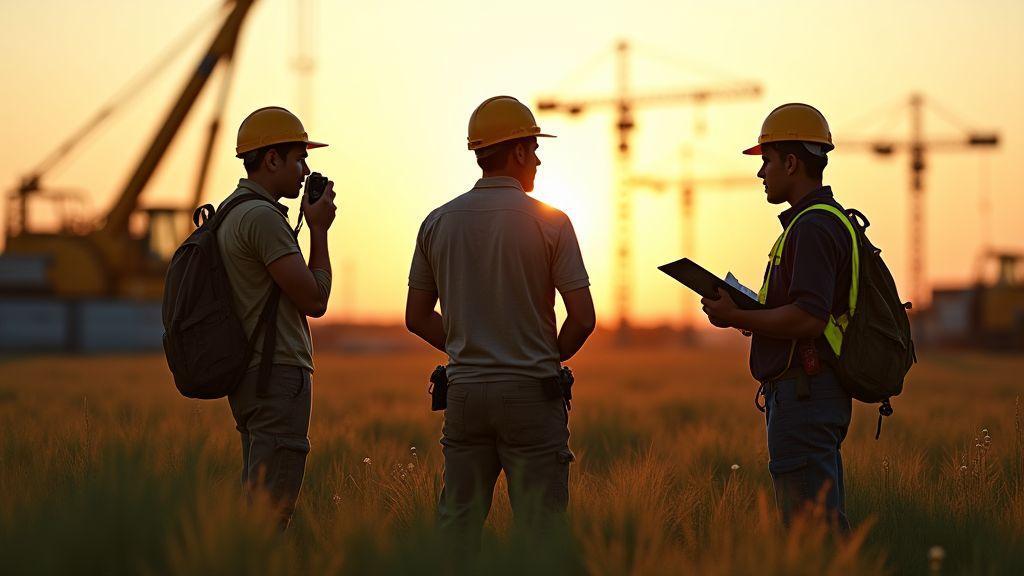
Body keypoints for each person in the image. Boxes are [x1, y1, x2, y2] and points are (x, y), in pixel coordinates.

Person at [405, 96, 596, 550]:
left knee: (456, 529)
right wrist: (547, 353)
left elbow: (415, 317)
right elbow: (583, 318)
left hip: (465, 394)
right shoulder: (552, 223)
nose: (539, 158)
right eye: (533, 147)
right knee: (541, 532)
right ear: (516, 152)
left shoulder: (437, 222)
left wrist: (464, 347)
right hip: (532, 392)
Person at [700, 103, 853, 531]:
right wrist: (743, 313)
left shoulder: (812, 228)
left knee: (809, 533)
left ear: (791, 162)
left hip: (805, 394)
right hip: (810, 392)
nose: (760, 172)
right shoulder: (813, 224)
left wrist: (734, 318)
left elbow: (808, 319)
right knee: (819, 525)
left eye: (766, 160)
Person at [219, 106, 336, 530]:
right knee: (271, 510)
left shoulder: (230, 212)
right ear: (271, 159)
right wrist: (319, 230)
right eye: (298, 158)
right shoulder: (263, 218)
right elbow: (315, 299)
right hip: (276, 376)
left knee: (257, 499)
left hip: (249, 375)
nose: (305, 171)